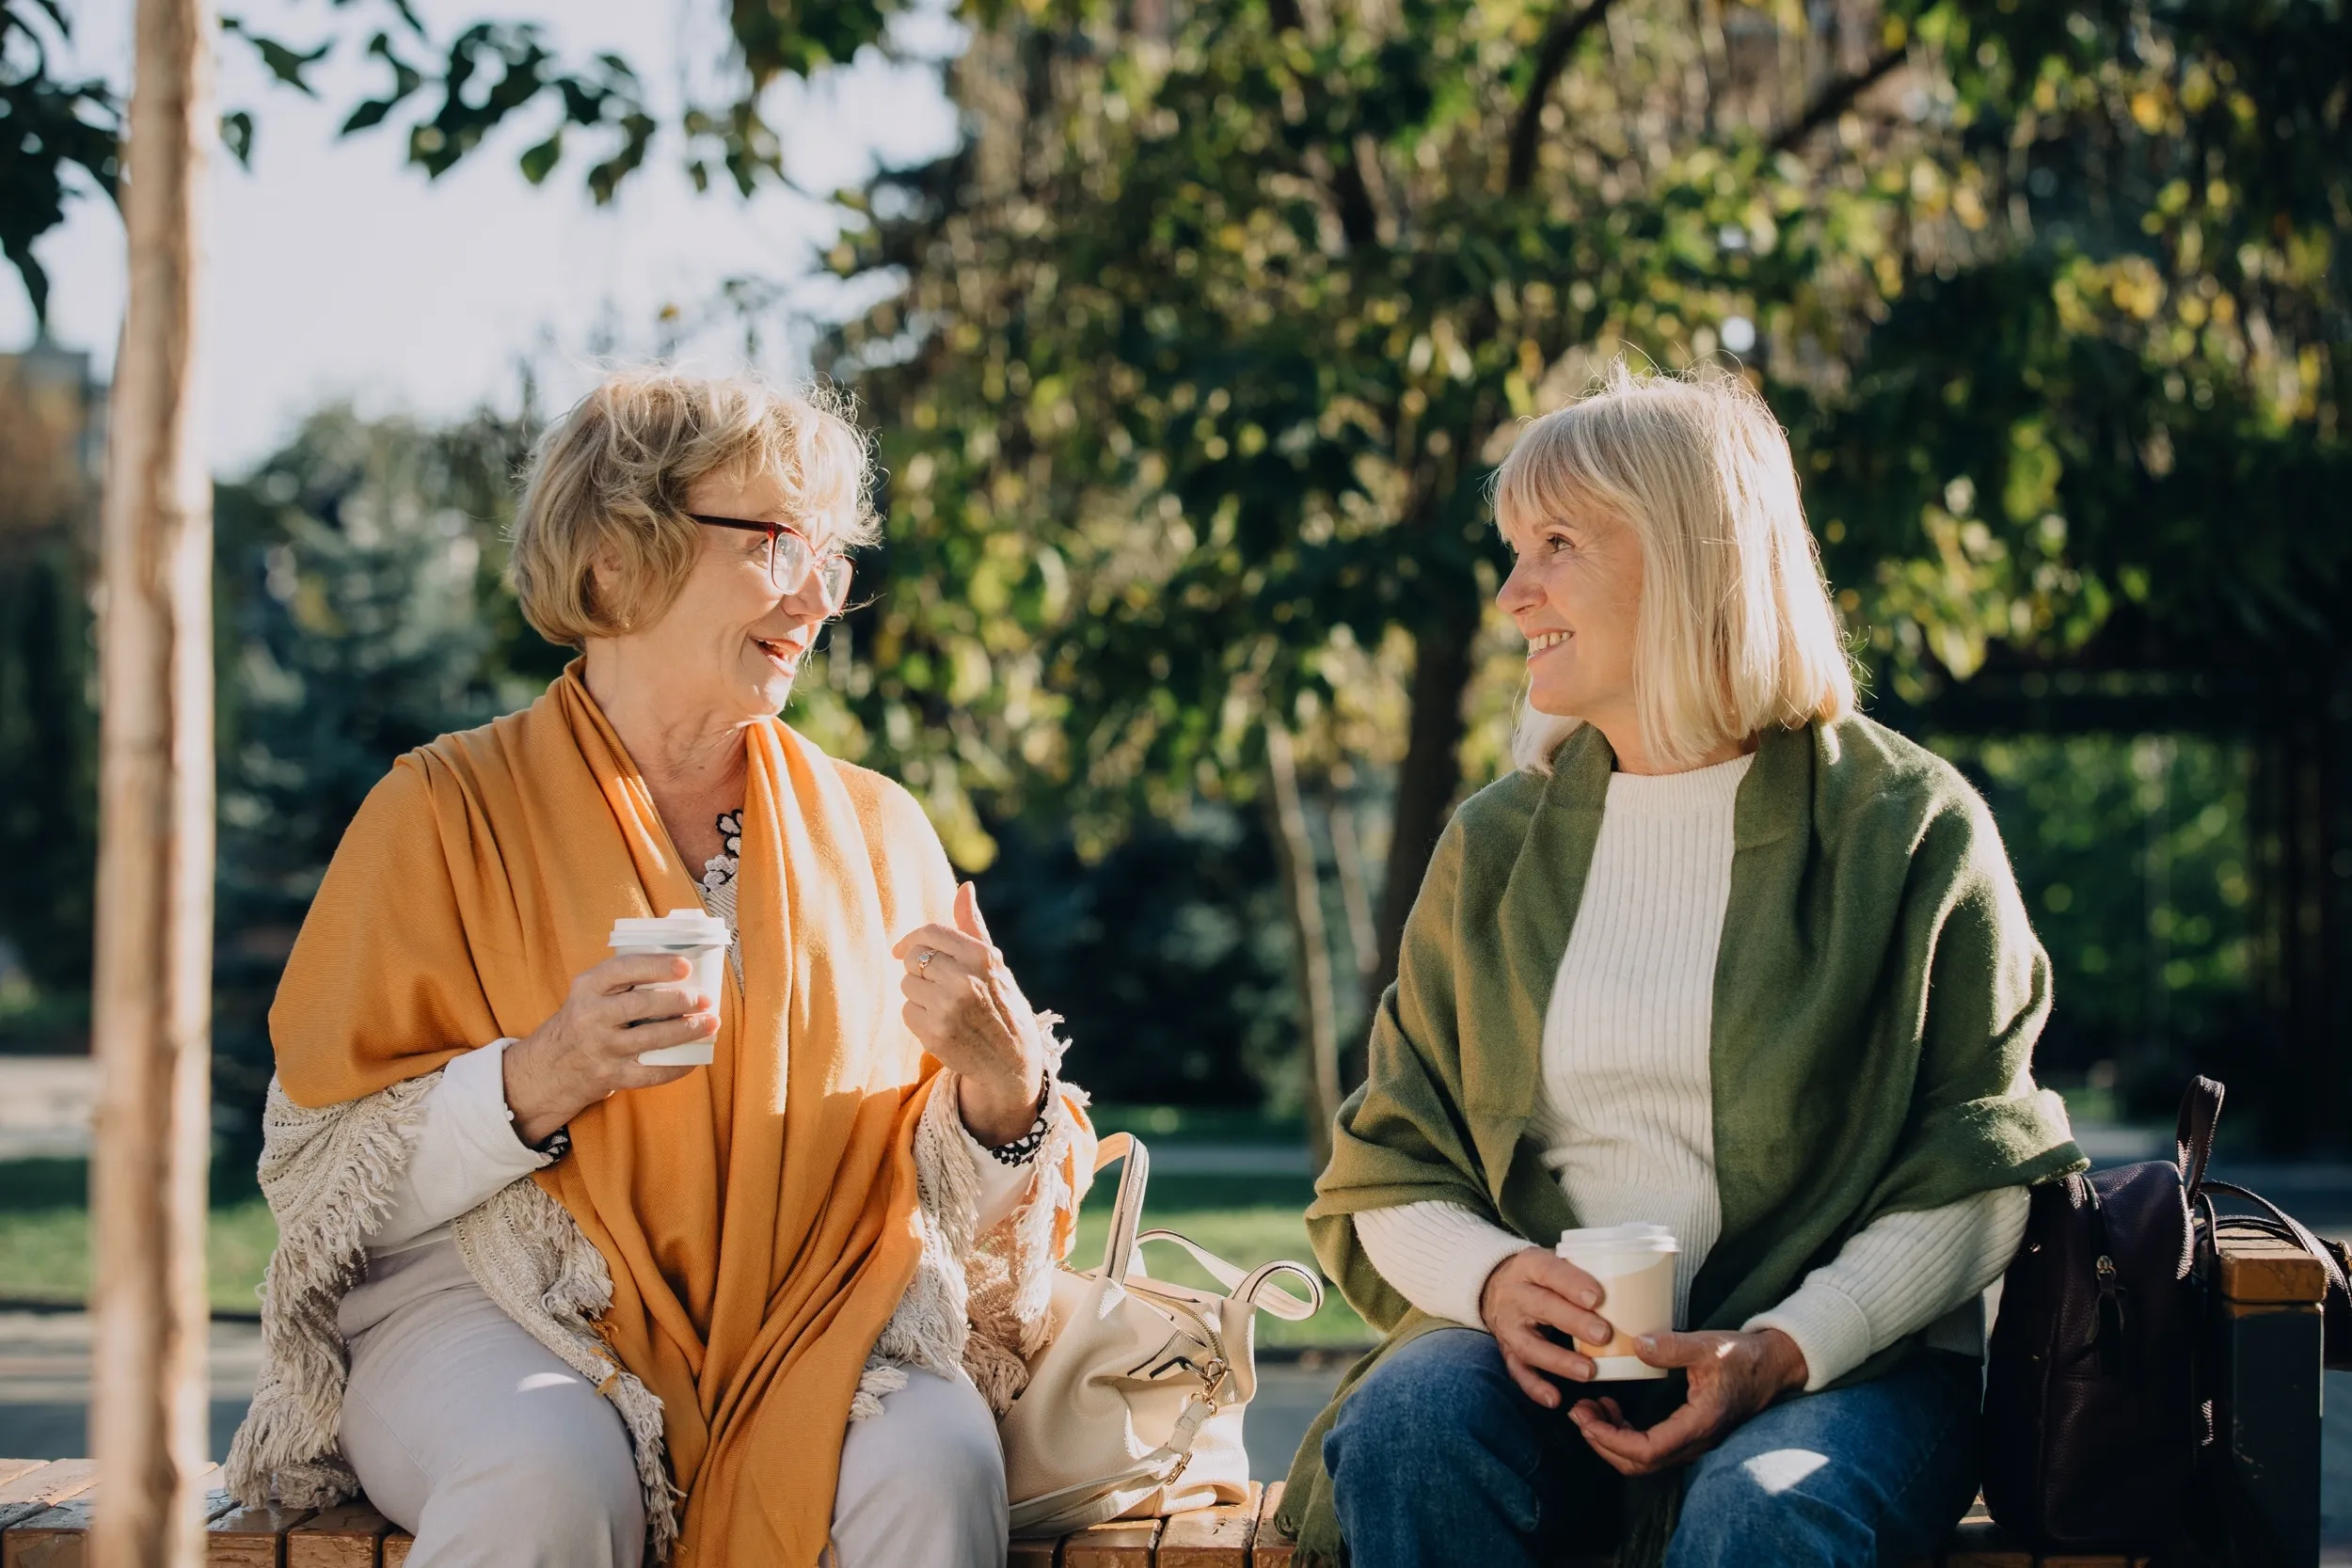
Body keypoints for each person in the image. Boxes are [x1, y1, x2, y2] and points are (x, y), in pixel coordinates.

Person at [226, 369, 1094, 1568]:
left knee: (938, 1458)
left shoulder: (880, 825)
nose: (819, 596)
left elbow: (935, 1204)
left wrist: (1004, 1093)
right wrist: (538, 1078)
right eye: (779, 540)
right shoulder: (434, 812)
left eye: (833, 556)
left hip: (814, 1311)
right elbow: (323, 1186)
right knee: (546, 1470)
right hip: (497, 1297)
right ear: (613, 559)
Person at [1275, 363, 2085, 1568]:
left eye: (1557, 543)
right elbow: (1388, 1161)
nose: (1512, 593)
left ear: (1693, 557)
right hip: (1550, 1373)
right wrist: (1497, 1279)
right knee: (1409, 1423)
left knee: (1763, 1507)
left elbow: (1981, 1168)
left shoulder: (1907, 825)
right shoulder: (1494, 846)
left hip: (1844, 1364)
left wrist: (1781, 1346)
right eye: (1511, 546)